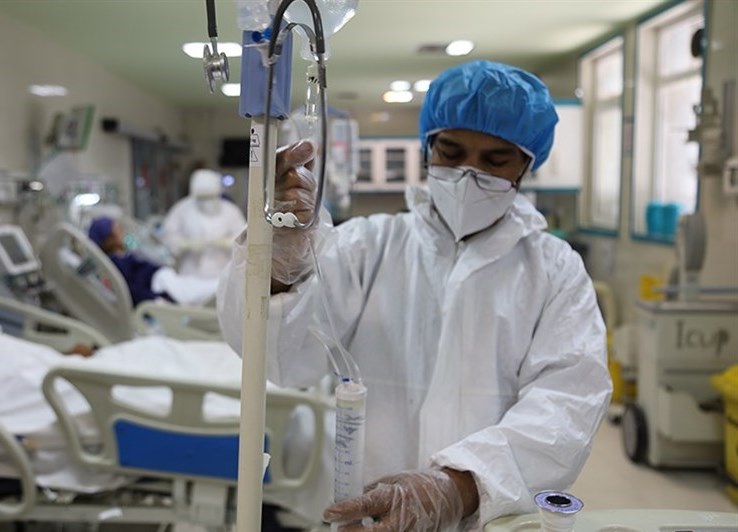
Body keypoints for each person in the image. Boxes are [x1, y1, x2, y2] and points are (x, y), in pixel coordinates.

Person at [217, 60, 612, 530]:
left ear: (527, 165)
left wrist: (457, 487)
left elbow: (568, 402)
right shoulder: (367, 245)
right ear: (427, 148)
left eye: (495, 160)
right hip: (363, 511)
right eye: (451, 151)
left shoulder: (555, 270)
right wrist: (280, 267)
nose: (468, 174)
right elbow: (281, 358)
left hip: (489, 515)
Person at [88, 216, 218, 307]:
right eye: (117, 230)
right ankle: (220, 285)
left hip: (161, 277)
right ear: (109, 239)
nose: (122, 231)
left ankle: (220, 284)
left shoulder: (123, 255)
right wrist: (154, 299)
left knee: (195, 285)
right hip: (158, 283)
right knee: (192, 291)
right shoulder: (116, 263)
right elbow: (132, 290)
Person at [161, 168, 246, 278]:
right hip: (190, 274)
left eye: (210, 197)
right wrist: (185, 244)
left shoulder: (230, 211)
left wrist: (227, 243)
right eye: (202, 198)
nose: (207, 202)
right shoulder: (181, 209)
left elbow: (244, 238)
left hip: (223, 273)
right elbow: (168, 236)